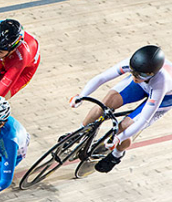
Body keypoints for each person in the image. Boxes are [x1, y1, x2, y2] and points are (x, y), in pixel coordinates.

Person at [68, 45, 172, 173]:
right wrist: (81, 95)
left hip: (164, 98)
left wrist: (118, 139)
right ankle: (78, 133)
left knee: (125, 126)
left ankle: (116, 155)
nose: (135, 77)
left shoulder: (162, 82)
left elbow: (143, 120)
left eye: (141, 75)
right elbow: (102, 78)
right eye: (133, 72)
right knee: (104, 103)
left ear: (152, 73)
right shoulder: (136, 67)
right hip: (142, 86)